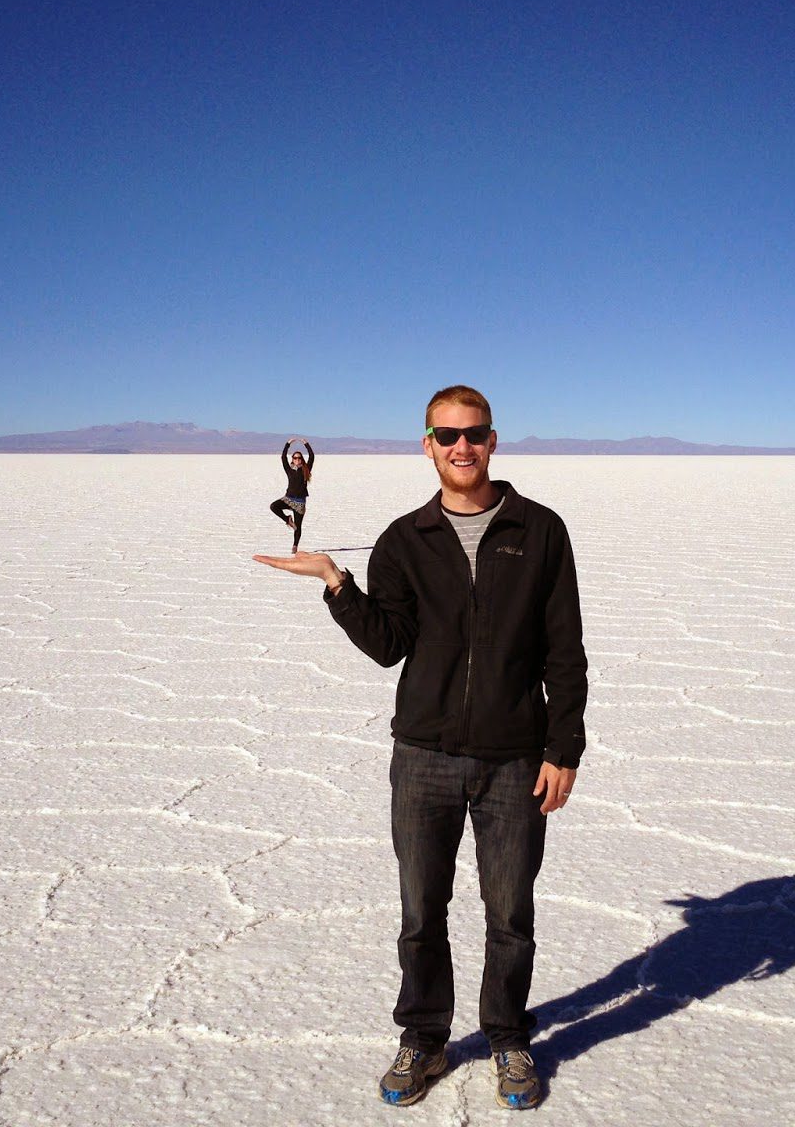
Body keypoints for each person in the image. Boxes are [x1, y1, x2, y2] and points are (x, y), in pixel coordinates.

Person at [254, 385, 588, 1110]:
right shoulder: (406, 539)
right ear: (427, 445)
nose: (461, 447)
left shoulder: (540, 530)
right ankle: (425, 1039)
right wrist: (335, 583)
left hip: (517, 759)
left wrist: (564, 747)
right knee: (420, 912)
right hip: (424, 759)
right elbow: (389, 644)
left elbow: (565, 650)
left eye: (474, 434)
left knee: (511, 915)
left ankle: (507, 1039)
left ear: (493, 441)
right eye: (447, 435)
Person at [269, 437, 314, 553]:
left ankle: (295, 546)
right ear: (292, 459)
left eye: (299, 458)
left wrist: (306, 443)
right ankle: (287, 519)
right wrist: (288, 443)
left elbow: (312, 456)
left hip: (300, 502)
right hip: (289, 499)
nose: (297, 459)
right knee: (273, 506)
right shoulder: (289, 469)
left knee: (298, 526)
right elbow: (283, 457)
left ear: (302, 459)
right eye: (295, 458)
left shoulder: (306, 469)